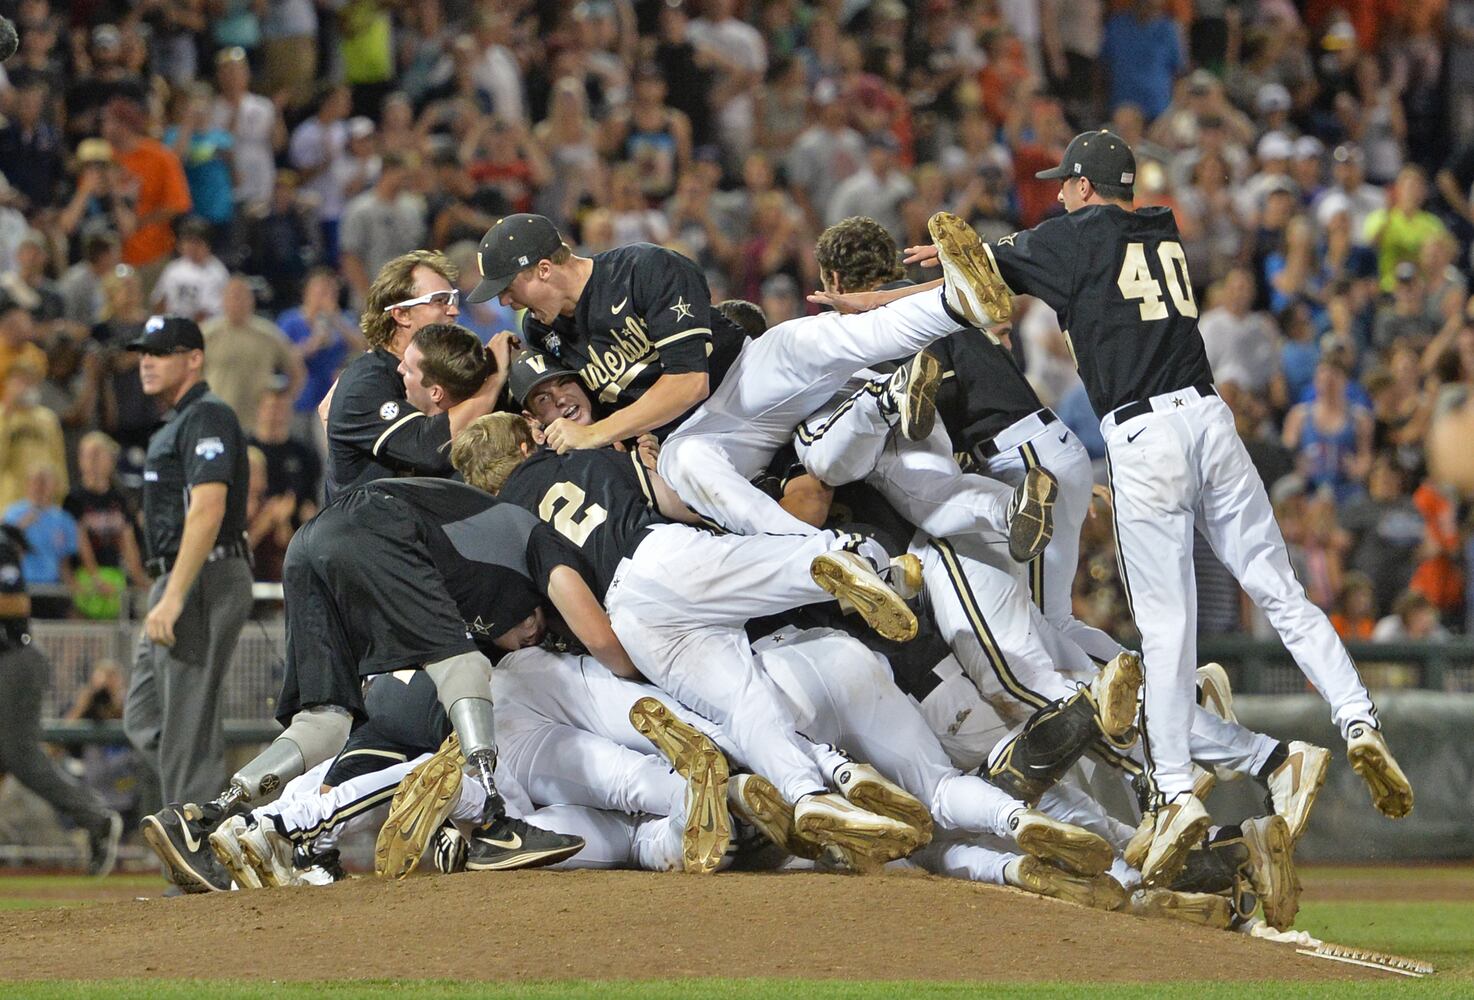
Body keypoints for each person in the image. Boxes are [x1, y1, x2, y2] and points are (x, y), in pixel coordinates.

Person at [874, 130, 1413, 887]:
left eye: (1067, 182)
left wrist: (874, 300)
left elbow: (967, 285)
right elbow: (1007, 261)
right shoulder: (1161, 228)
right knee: (1280, 588)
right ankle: (1357, 717)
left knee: (1167, 630)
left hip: (1147, 433)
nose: (1060, 191)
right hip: (1211, 419)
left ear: (1088, 187)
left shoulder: (1075, 234)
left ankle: (1170, 793)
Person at [122, 315, 254, 818]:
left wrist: (175, 595)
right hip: (179, 578)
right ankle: (225, 815)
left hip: (202, 578)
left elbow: (207, 508)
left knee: (185, 728)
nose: (147, 361)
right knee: (146, 718)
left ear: (194, 358)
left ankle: (198, 867)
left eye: (160, 352)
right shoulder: (180, 420)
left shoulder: (208, 415)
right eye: (143, 353)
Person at [322, 249, 506, 498]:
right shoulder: (366, 382)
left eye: (452, 299)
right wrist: (492, 383)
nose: (454, 311)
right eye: (440, 301)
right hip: (366, 532)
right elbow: (426, 448)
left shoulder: (446, 369)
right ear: (401, 314)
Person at [0, 523, 123, 876]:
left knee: (20, 756)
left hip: (13, 659)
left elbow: (17, 601)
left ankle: (96, 817)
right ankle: (95, 817)